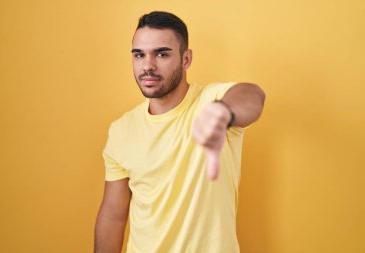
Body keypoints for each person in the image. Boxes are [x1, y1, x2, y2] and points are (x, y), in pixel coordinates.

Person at [94, 11, 265, 253]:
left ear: (186, 59)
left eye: (162, 54)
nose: (148, 66)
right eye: (139, 55)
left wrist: (225, 112)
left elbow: (251, 96)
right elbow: (113, 215)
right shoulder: (121, 129)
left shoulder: (210, 101)